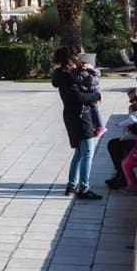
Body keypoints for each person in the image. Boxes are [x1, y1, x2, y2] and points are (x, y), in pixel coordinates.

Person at [51, 45, 104, 200]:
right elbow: (79, 97)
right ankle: (84, 189)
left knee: (79, 152)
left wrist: (86, 69)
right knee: (87, 153)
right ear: (70, 59)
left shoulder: (61, 75)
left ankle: (71, 185)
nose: (79, 59)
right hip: (80, 116)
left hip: (71, 115)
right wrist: (97, 96)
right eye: (77, 57)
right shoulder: (68, 77)